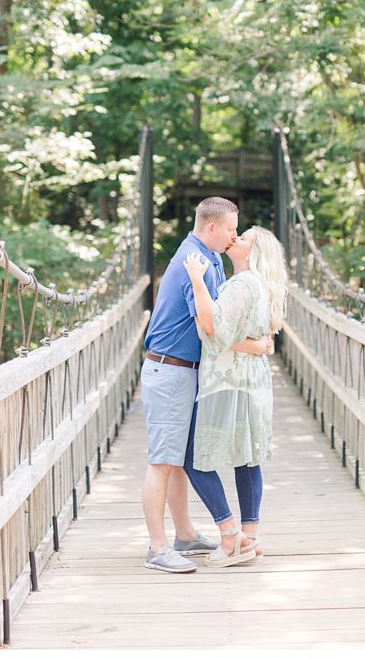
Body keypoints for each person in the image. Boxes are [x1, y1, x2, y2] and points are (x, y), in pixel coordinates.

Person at [140, 197, 273, 573]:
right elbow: (210, 327)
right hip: (170, 370)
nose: (234, 235)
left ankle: (184, 535)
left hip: (188, 370)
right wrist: (255, 346)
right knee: (163, 462)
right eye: (231, 228)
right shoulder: (192, 261)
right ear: (211, 228)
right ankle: (157, 547)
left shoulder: (211, 258)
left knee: (183, 459)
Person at [181, 226, 288, 567]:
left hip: (228, 383)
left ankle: (230, 537)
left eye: (243, 238)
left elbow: (212, 333)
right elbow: (253, 336)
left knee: (191, 456)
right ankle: (250, 538)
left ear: (253, 252)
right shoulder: (261, 285)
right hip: (252, 383)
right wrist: (254, 345)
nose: (235, 238)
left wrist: (197, 280)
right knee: (247, 456)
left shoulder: (241, 284)